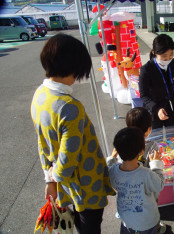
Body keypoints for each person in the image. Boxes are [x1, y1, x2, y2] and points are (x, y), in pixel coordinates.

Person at [30, 33, 115, 234]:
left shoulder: (40, 95)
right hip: (85, 188)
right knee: (90, 227)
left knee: (80, 225)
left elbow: (42, 144)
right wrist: (54, 174)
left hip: (66, 189)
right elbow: (67, 164)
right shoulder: (69, 107)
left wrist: (50, 179)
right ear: (73, 67)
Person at [107, 127, 164, 234]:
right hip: (148, 222)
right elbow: (159, 185)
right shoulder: (145, 174)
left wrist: (111, 158)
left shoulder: (113, 171)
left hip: (126, 219)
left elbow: (107, 172)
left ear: (117, 151)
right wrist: (156, 163)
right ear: (141, 151)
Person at [125, 107, 167, 234]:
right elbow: (156, 174)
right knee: (151, 210)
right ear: (149, 130)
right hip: (148, 191)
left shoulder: (123, 143)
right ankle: (155, 227)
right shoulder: (152, 146)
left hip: (129, 191)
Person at [139, 34, 174, 129]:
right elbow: (143, 95)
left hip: (170, 107)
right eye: (164, 56)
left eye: (171, 54)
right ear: (154, 52)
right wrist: (157, 109)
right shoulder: (146, 69)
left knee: (173, 137)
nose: (168, 59)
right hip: (153, 109)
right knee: (156, 139)